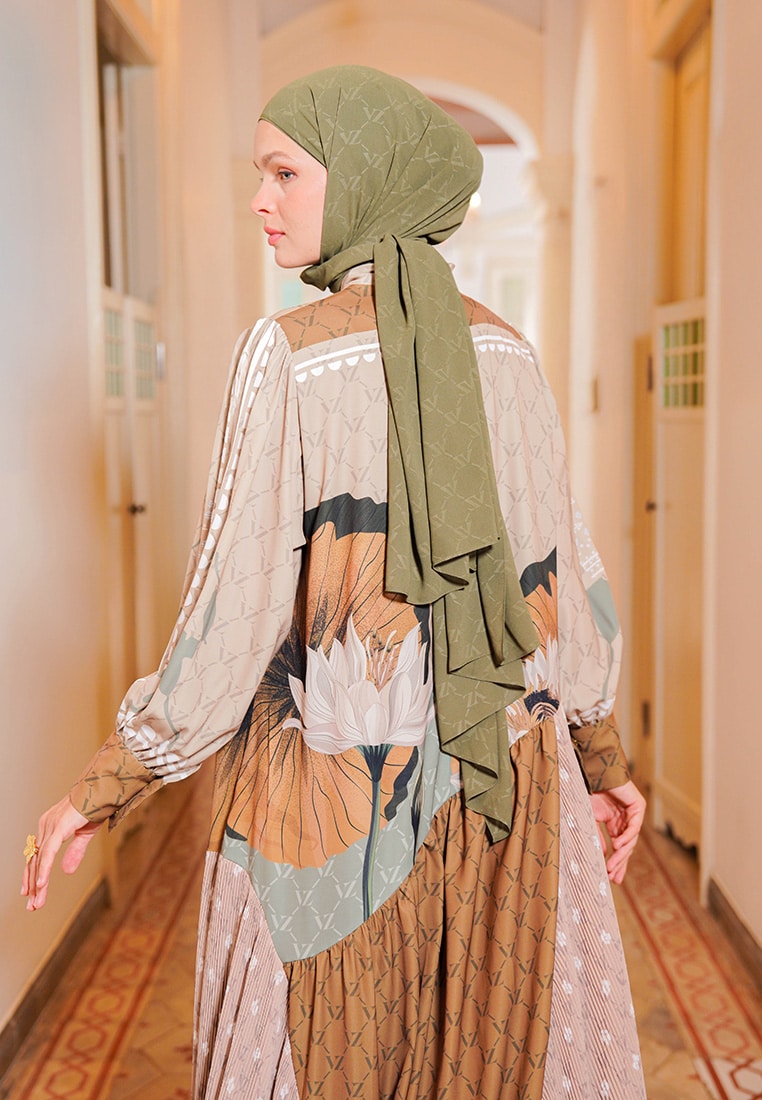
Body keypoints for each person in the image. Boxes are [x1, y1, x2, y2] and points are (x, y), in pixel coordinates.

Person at [23, 65, 647, 1099]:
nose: (258, 199)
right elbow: (561, 587)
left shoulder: (287, 357)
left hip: (336, 806)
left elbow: (227, 620)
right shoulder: (511, 353)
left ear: (362, 176)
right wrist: (603, 756)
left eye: (283, 173)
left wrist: (106, 788)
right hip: (511, 798)